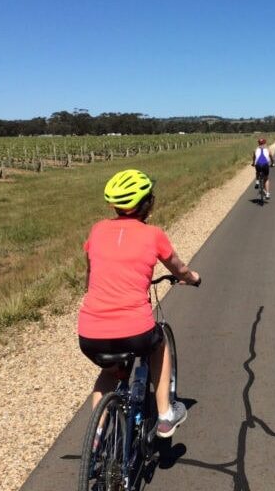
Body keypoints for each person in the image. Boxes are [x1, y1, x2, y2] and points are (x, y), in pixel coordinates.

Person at [78, 169, 201, 438]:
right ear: (148, 203)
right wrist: (192, 278)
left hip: (90, 332)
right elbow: (178, 267)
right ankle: (166, 415)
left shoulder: (97, 230)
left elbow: (90, 272)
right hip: (135, 331)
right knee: (160, 346)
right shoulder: (153, 234)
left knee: (109, 373)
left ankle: (96, 438)